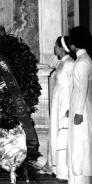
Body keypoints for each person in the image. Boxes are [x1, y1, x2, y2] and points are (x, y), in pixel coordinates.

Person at [40, 36, 75, 181]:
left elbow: (74, 87)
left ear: (62, 48)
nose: (54, 48)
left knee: (63, 135)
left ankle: (63, 170)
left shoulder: (70, 64)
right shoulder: (61, 63)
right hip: (57, 102)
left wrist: (69, 107)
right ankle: (53, 166)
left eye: (56, 46)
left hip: (65, 104)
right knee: (54, 132)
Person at [67, 26, 92, 184]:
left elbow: (83, 88)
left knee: (80, 145)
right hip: (78, 106)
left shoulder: (83, 61)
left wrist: (79, 112)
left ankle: (80, 179)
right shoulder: (81, 59)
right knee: (75, 144)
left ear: (75, 42)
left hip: (81, 109)